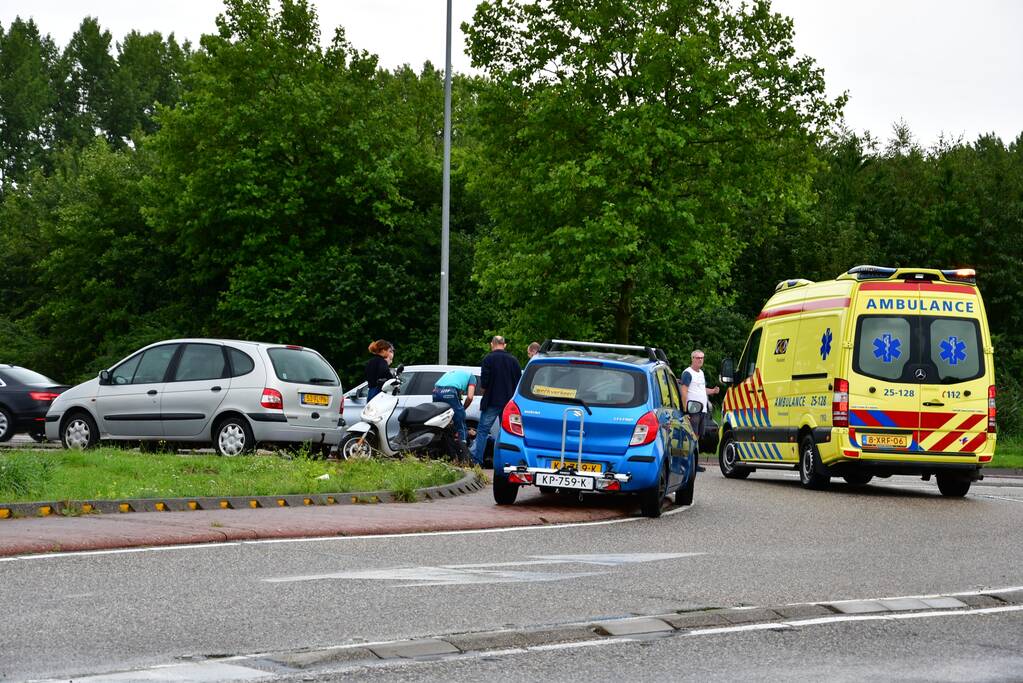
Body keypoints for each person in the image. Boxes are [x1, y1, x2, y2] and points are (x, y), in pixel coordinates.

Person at [474, 336, 523, 466]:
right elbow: (519, 382)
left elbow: (484, 383)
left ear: (492, 344)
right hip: (509, 403)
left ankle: (477, 461)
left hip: (492, 401)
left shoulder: (488, 359)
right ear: (504, 345)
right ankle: (502, 463)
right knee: (506, 433)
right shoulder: (514, 360)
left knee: (483, 431)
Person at [680, 349, 719, 472]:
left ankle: (693, 463)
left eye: (702, 358)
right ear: (692, 359)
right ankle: (687, 464)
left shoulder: (701, 373)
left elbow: (701, 389)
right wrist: (685, 411)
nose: (700, 360)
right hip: (693, 410)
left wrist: (712, 391)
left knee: (697, 437)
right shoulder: (688, 373)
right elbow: (684, 391)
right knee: (691, 437)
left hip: (702, 410)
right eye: (697, 358)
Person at [432, 367, 477, 447]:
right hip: (450, 391)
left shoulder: (454, 374)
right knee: (460, 420)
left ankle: (441, 445)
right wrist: (462, 409)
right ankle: (463, 448)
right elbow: (470, 397)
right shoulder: (472, 377)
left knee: (442, 421)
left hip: (436, 391)